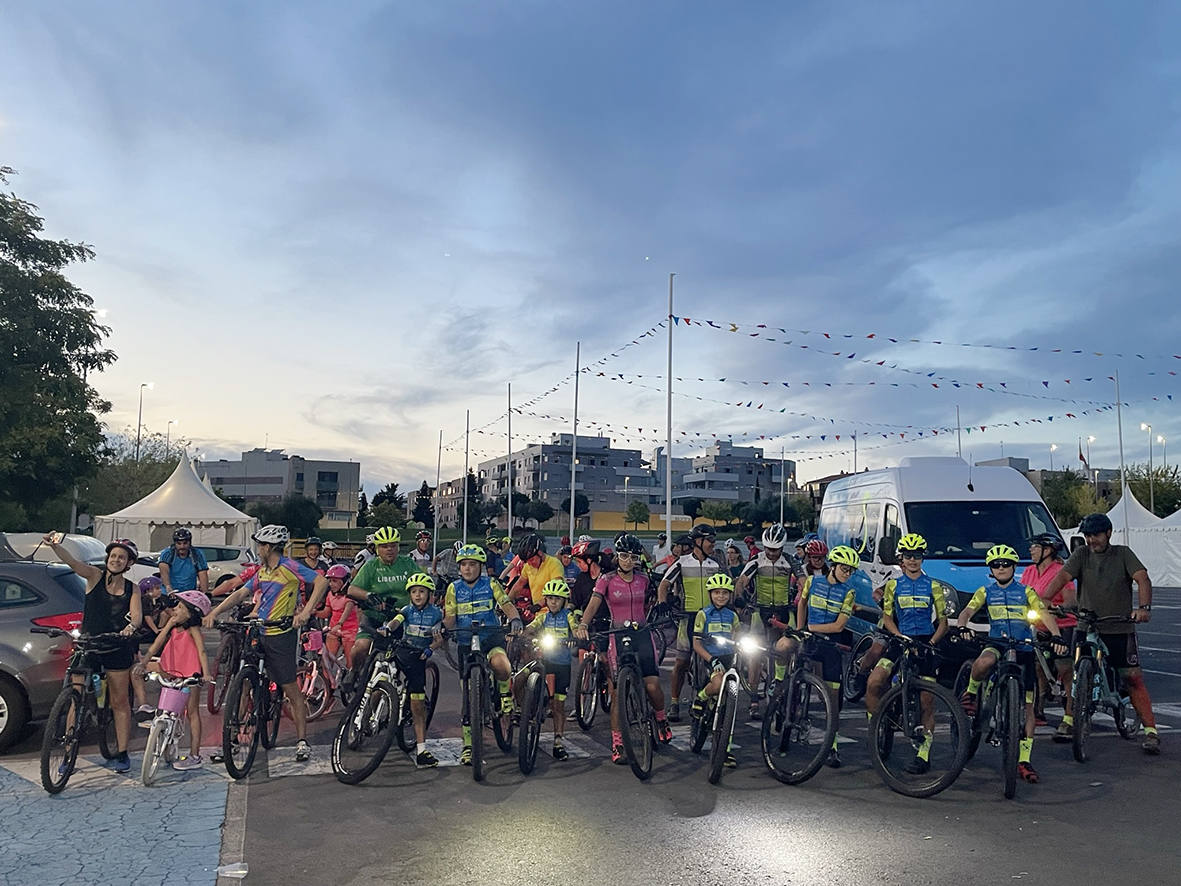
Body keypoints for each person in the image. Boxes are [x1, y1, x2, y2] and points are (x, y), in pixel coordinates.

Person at [204, 524, 329, 762]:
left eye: (261, 545)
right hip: (259, 631)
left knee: (291, 689)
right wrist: (215, 612)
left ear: (269, 546)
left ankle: (302, 741)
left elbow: (321, 583)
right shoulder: (262, 571)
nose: (258, 549)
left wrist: (305, 613)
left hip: (281, 633)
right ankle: (231, 740)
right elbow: (240, 593)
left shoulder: (289, 566)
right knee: (244, 685)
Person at [1043, 512, 1160, 755]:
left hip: (1119, 627)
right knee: (1075, 676)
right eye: (1087, 535)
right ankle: (1069, 721)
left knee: (1132, 677)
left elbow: (1142, 578)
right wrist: (1045, 599)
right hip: (1086, 626)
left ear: (1108, 533)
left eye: (1095, 535)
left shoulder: (1123, 554)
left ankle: (1150, 731)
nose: (1091, 540)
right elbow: (1062, 577)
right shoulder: (1081, 554)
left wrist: (1143, 608)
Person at [957, 544, 1067, 784]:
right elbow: (967, 611)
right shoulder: (985, 591)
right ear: (991, 569)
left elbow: (1044, 613)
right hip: (996, 642)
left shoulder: (1026, 591)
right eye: (996, 565)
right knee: (984, 661)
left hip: (1023, 646)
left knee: (1028, 707)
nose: (1001, 568)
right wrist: (963, 624)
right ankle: (971, 692)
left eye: (1006, 564)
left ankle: (1024, 760)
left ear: (1013, 566)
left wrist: (1056, 635)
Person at [42, 533, 142, 772]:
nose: (116, 560)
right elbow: (74, 564)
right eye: (113, 555)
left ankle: (122, 752)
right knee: (75, 697)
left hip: (116, 646)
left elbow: (136, 616)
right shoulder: (95, 576)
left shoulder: (133, 589)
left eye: (122, 557)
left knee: (119, 701)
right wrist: (56, 546)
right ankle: (68, 754)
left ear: (129, 564)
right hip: (89, 643)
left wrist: (130, 627)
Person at [576, 533, 672, 763]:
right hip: (617, 636)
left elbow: (658, 594)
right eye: (624, 556)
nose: (628, 560)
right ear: (617, 557)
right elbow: (594, 604)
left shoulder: (644, 579)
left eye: (632, 557)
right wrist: (583, 624)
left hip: (642, 635)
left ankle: (660, 718)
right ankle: (618, 742)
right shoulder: (606, 580)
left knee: (652, 685)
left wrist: (661, 607)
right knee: (616, 692)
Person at [864, 533, 949, 774]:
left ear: (923, 558)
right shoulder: (893, 585)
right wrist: (899, 636)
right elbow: (887, 617)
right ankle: (875, 729)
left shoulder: (933, 586)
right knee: (875, 681)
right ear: (901, 558)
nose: (913, 560)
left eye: (918, 556)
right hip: (899, 638)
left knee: (927, 700)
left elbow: (943, 623)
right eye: (909, 556)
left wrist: (931, 642)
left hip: (925, 641)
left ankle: (924, 754)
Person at [773, 544, 861, 768]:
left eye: (851, 571)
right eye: (844, 568)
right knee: (783, 647)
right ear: (833, 566)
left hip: (830, 643)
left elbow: (840, 625)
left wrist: (812, 628)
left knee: (833, 698)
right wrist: (801, 629)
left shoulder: (849, 592)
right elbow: (802, 603)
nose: (847, 573)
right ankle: (779, 684)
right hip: (808, 637)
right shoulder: (813, 582)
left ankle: (832, 747)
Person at [442, 544, 522, 765]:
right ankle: (468, 746)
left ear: (480, 567)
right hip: (466, 642)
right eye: (464, 565)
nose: (468, 569)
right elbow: (450, 616)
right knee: (467, 699)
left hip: (490, 638)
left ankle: (505, 696)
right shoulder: (453, 588)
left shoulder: (491, 583)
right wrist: (444, 628)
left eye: (473, 564)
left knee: (501, 663)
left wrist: (514, 618)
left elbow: (506, 605)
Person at [655, 523, 722, 721]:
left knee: (714, 660)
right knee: (682, 662)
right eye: (710, 540)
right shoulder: (681, 562)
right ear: (698, 542)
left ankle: (707, 698)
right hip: (688, 618)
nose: (713, 544)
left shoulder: (715, 563)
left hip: (711, 618)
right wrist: (662, 603)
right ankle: (675, 702)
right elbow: (664, 584)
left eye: (713, 540)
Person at [143, 590, 213, 769]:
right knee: (167, 706)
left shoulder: (193, 629)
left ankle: (195, 754)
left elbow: (202, 651)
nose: (176, 610)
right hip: (171, 669)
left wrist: (205, 674)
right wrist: (144, 661)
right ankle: (164, 731)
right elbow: (159, 641)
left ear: (191, 613)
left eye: (181, 608)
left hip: (191, 674)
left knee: (192, 712)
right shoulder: (173, 624)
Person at [386, 573, 444, 767]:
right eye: (413, 592)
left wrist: (430, 649)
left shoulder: (436, 614)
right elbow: (397, 620)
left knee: (417, 705)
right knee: (385, 671)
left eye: (422, 591)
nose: (417, 595)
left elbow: (439, 638)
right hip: (404, 650)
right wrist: (388, 627)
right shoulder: (406, 610)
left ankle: (421, 750)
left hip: (419, 656)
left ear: (430, 594)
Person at [736, 523, 794, 718]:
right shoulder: (756, 560)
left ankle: (778, 685)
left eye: (775, 550)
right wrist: (739, 596)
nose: (771, 553)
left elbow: (803, 582)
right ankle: (753, 697)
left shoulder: (789, 561)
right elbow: (742, 580)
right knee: (755, 654)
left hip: (783, 610)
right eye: (768, 548)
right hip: (760, 611)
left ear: (783, 547)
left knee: (783, 650)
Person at [1022, 533, 1077, 737]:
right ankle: (1039, 708)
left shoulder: (1061, 571)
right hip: (1038, 625)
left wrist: (1056, 607)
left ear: (1048, 551)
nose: (1031, 550)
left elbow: (1071, 601)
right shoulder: (1028, 571)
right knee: (1036, 666)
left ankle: (1069, 716)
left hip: (1062, 625)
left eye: (1035, 547)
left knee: (1065, 668)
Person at [346, 526, 419, 676]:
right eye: (384, 546)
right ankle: (354, 673)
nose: (389, 550)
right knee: (361, 647)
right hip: (374, 616)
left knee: (409, 655)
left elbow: (422, 583)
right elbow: (352, 589)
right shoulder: (370, 566)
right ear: (377, 548)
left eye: (393, 545)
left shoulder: (408, 563)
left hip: (401, 617)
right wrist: (368, 595)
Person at [521, 578, 579, 761]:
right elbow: (530, 628)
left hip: (562, 665)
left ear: (564, 601)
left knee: (558, 705)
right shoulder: (543, 617)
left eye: (557, 599)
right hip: (545, 662)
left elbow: (576, 629)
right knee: (524, 681)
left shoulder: (568, 616)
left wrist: (575, 637)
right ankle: (528, 713)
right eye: (550, 598)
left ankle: (558, 742)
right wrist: (523, 635)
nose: (553, 602)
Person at [690, 573, 742, 769]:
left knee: (731, 703)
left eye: (725, 593)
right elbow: (696, 644)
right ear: (710, 594)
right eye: (717, 593)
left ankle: (725, 749)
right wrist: (711, 660)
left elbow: (738, 638)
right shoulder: (703, 614)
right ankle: (702, 697)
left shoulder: (733, 615)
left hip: (730, 659)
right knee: (719, 683)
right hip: (710, 658)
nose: (721, 596)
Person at [132, 575, 167, 721]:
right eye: (157, 588)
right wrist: (157, 631)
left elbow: (168, 610)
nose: (160, 591)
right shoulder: (145, 601)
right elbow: (147, 617)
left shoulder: (159, 601)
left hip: (150, 633)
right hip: (144, 632)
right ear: (147, 591)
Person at [323, 564, 359, 661]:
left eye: (334, 581)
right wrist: (312, 612)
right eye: (330, 581)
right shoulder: (330, 594)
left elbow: (347, 610)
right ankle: (327, 676)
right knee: (326, 661)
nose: (331, 584)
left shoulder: (351, 595)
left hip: (350, 631)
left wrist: (339, 624)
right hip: (334, 630)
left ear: (344, 581)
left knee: (350, 662)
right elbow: (326, 613)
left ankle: (351, 676)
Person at [159, 528, 209, 595]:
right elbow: (164, 571)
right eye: (179, 543)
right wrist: (168, 587)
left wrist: (204, 593)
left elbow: (202, 573)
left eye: (185, 543)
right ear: (175, 543)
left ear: (190, 542)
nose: (182, 546)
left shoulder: (197, 554)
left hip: (189, 594)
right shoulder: (168, 553)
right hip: (170, 592)